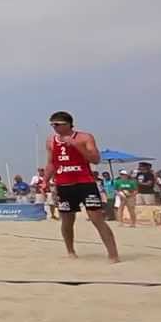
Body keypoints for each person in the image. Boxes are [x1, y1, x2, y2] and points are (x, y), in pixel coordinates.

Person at [45, 111, 119, 262]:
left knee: (96, 218)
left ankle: (113, 254)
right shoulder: (51, 141)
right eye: (52, 125)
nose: (55, 128)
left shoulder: (84, 137)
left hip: (85, 182)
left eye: (58, 124)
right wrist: (45, 180)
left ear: (68, 124)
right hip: (64, 184)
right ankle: (70, 251)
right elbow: (51, 163)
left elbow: (96, 159)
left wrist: (78, 147)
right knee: (66, 220)